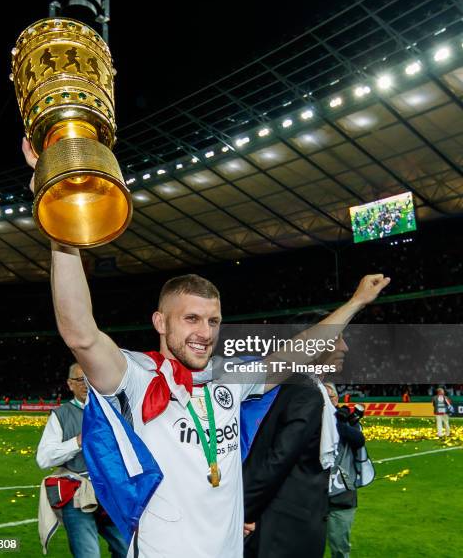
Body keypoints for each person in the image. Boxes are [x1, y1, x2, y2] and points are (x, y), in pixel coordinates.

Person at [22, 138, 390, 558]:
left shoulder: (227, 378)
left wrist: (356, 302)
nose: (205, 332)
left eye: (213, 320)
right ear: (160, 322)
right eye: (191, 319)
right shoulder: (139, 376)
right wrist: (58, 214)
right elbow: (81, 334)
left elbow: (295, 353)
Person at [242, 337, 347, 558]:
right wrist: (242, 513)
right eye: (337, 340)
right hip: (283, 533)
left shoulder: (294, 387)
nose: (344, 347)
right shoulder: (306, 393)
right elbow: (277, 459)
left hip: (281, 526)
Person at [36, 362, 128, 558]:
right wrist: (77, 441)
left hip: (111, 493)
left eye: (90, 379)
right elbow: (43, 459)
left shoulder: (112, 410)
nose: (86, 384)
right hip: (77, 494)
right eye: (80, 380)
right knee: (88, 554)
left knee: (127, 549)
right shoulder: (61, 415)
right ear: (70, 384)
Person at [324, 382, 366, 558]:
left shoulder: (347, 418)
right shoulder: (310, 418)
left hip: (341, 496)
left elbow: (359, 440)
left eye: (330, 397)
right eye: (323, 397)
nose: (327, 401)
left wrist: (338, 422)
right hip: (312, 495)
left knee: (340, 549)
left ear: (336, 398)